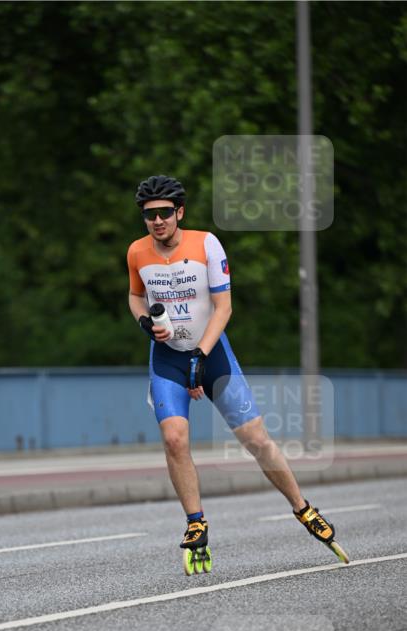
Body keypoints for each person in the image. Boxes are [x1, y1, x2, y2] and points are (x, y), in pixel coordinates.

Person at [126, 174, 348, 566]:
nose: (157, 221)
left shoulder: (206, 243)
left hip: (211, 355)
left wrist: (200, 354)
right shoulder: (137, 253)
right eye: (149, 215)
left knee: (256, 440)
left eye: (164, 213)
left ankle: (302, 507)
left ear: (179, 212)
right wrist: (144, 321)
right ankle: (196, 522)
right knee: (174, 439)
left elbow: (224, 307)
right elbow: (135, 296)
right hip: (168, 359)